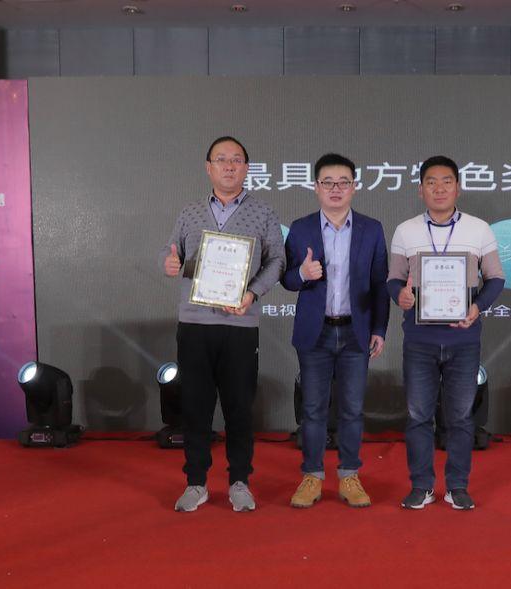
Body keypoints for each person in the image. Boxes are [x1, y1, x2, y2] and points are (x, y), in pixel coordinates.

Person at [161, 136, 285, 513]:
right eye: (221, 159)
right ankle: (196, 483)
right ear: (208, 167)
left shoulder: (263, 213)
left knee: (239, 408)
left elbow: (277, 261)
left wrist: (252, 293)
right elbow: (172, 253)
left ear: (246, 168)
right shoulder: (190, 212)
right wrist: (169, 263)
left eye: (236, 160)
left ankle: (239, 482)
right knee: (195, 406)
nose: (229, 166)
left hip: (240, 324)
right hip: (195, 323)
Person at [387, 155, 505, 511]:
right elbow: (393, 279)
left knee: (460, 417)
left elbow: (496, 278)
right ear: (420, 190)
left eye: (446, 181)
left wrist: (477, 307)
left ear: (458, 188)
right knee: (418, 416)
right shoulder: (406, 231)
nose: (439, 189)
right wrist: (400, 295)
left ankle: (457, 486)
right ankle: (421, 486)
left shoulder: (479, 229)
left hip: (463, 339)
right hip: (419, 341)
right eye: (431, 182)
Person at [281, 153, 390, 508]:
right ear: (316, 187)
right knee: (313, 409)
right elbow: (286, 279)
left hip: (356, 332)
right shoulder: (301, 228)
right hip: (316, 332)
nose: (335, 189)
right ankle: (312, 476)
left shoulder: (371, 229)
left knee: (352, 409)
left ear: (354, 187)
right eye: (327, 182)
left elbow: (380, 283)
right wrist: (303, 274)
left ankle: (349, 476)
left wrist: (379, 328)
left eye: (343, 182)